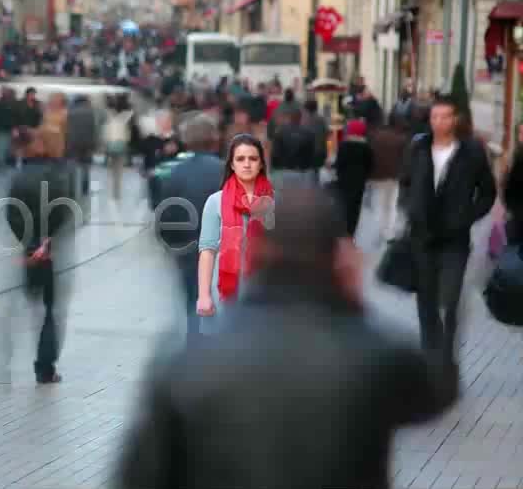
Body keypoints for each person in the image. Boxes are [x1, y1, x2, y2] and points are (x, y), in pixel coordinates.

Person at [116, 181, 459, 489]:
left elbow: (141, 475)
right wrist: (353, 306)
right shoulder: (376, 355)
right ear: (338, 258)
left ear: (252, 254)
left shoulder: (183, 360)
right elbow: (437, 391)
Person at [400, 96, 496, 360]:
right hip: (423, 236)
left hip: (455, 239)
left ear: (455, 120)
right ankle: (430, 354)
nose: (439, 122)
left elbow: (487, 192)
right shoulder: (418, 149)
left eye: (445, 116)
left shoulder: (472, 153)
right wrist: (410, 208)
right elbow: (405, 182)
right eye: (435, 117)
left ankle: (445, 353)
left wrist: (468, 216)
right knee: (426, 299)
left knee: (450, 298)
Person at [0, 115, 77, 384]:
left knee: (32, 303)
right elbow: (65, 211)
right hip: (52, 250)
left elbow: (11, 212)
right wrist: (46, 239)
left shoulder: (22, 173)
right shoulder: (62, 173)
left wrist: (27, 241)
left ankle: (7, 357)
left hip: (29, 249)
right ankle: (45, 367)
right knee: (50, 310)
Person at [155, 114, 223, 342]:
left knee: (193, 294)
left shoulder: (176, 171)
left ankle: (196, 343)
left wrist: (167, 239)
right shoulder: (225, 170)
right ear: (213, 139)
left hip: (186, 242)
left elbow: (165, 210)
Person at [196, 134, 274, 330]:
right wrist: (204, 295)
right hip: (225, 291)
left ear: (261, 164)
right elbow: (207, 250)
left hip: (267, 295)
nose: (247, 164)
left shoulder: (275, 202)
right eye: (240, 159)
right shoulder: (215, 201)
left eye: (253, 158)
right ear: (231, 164)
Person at [333, 118, 374, 238]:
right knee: (355, 207)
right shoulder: (366, 147)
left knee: (343, 204)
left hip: (344, 180)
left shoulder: (344, 145)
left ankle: (342, 229)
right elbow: (369, 164)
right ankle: (351, 231)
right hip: (359, 181)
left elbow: (339, 163)